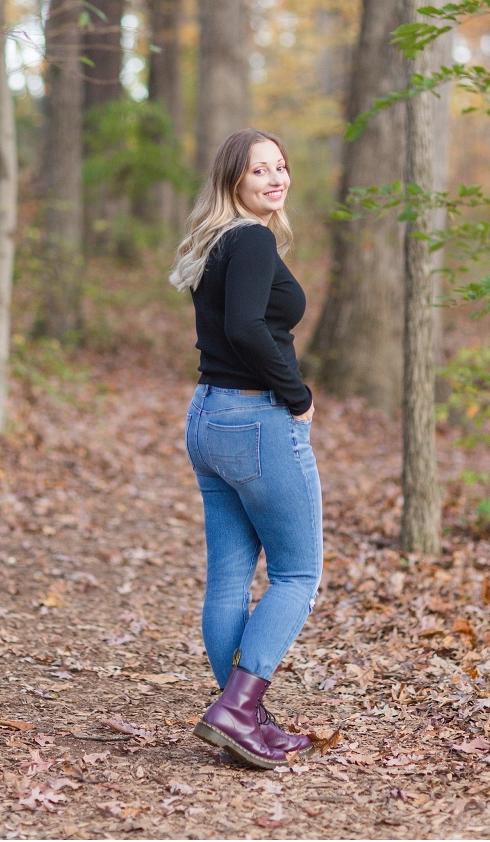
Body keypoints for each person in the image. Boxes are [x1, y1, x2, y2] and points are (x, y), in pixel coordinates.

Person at [170, 129, 322, 770]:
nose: (275, 178)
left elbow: (229, 329)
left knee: (230, 579)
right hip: (255, 417)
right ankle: (237, 709)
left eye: (281, 166)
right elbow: (244, 328)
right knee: (297, 573)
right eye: (260, 170)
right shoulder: (252, 238)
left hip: (208, 415)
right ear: (234, 179)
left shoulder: (218, 239)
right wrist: (298, 392)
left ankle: (242, 716)